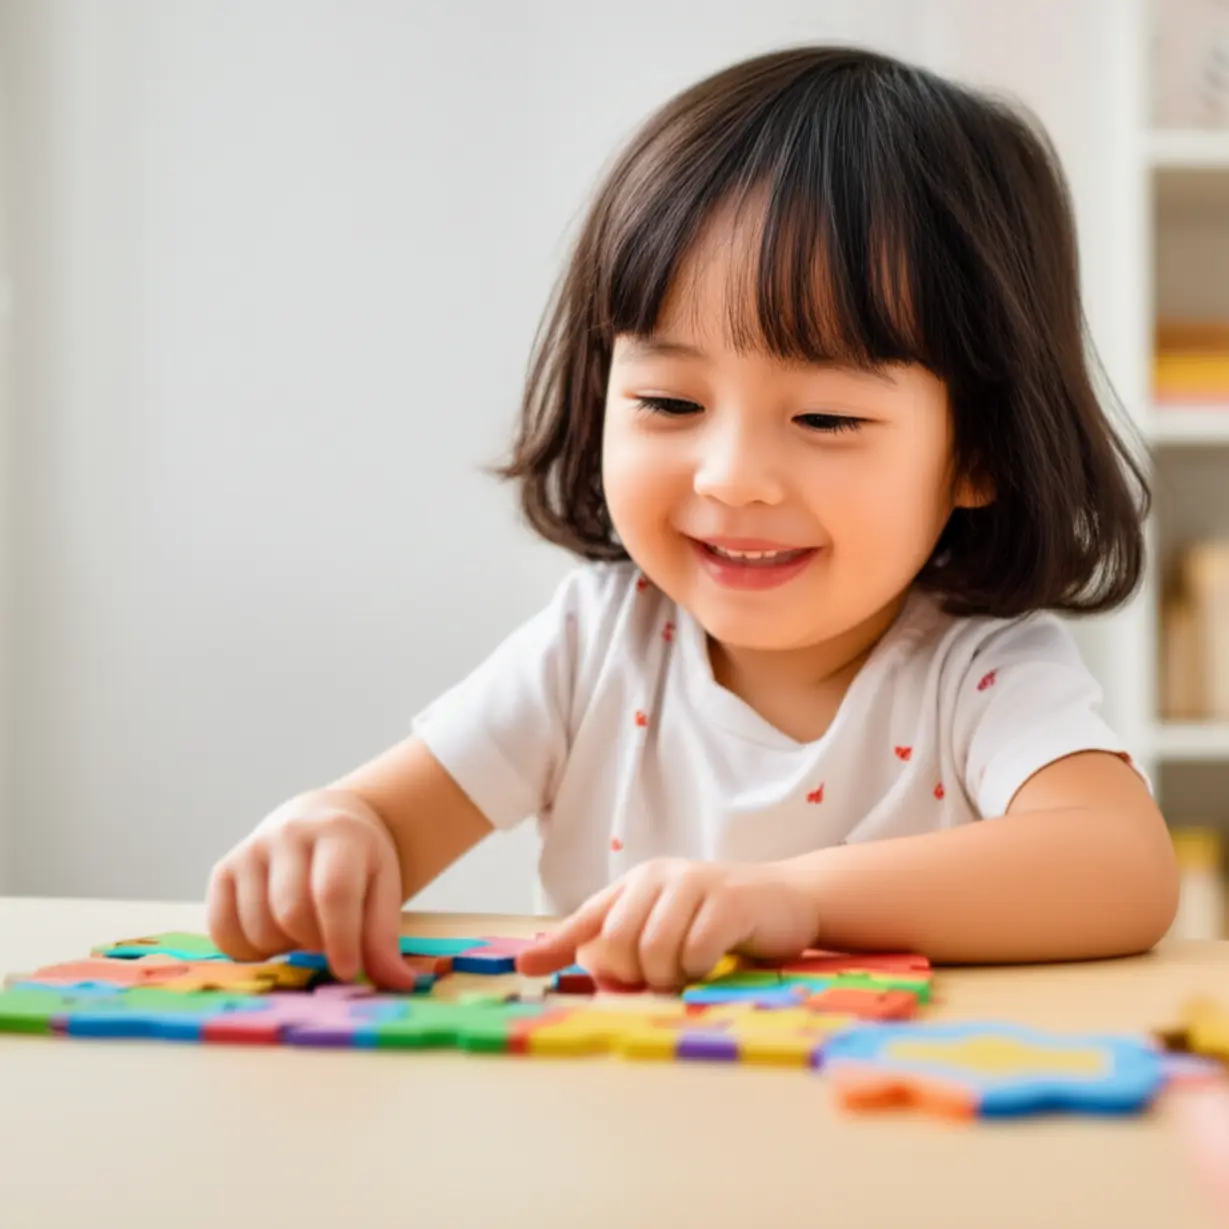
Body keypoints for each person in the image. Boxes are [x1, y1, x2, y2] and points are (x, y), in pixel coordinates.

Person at [205, 45, 1179, 993]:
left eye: (825, 416)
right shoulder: (594, 645)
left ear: (978, 452)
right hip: (616, 1136)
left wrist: (785, 899)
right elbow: (384, 821)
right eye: (668, 403)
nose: (732, 476)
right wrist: (332, 831)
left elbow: (1119, 868)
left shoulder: (977, 672)